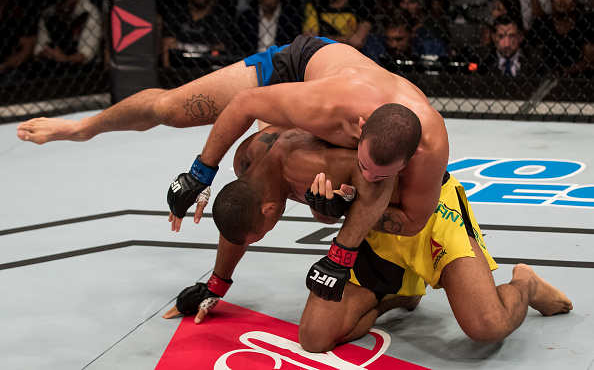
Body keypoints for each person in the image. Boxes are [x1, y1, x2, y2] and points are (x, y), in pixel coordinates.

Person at [17, 34, 448, 302]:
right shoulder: (322, 107)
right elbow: (244, 107)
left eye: (382, 171)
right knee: (170, 107)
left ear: (409, 160)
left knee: (361, 184)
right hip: (305, 67)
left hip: (370, 119)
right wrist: (200, 172)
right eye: (364, 163)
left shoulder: (428, 141)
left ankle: (347, 246)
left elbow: (411, 220)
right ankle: (82, 128)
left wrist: (342, 219)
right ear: (356, 130)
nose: (371, 175)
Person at [163, 125, 573, 353]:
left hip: (426, 214)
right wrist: (216, 283)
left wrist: (337, 216)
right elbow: (239, 217)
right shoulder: (250, 161)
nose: (255, 240)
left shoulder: (318, 164)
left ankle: (525, 283)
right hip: (368, 230)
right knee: (315, 338)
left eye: (259, 235)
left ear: (271, 212)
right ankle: (396, 292)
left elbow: (385, 186)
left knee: (487, 326)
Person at [477, 14, 542, 77]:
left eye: (511, 36)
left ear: (520, 37)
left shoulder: (536, 59)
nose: (506, 44)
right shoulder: (483, 62)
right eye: (501, 36)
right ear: (494, 37)